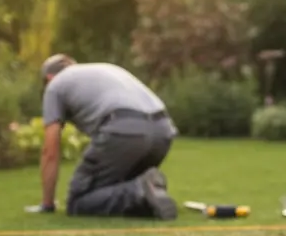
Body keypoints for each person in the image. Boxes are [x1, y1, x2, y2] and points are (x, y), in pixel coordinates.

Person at [26, 54, 179, 219]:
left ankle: (139, 190)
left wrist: (47, 204)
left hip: (123, 129)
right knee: (113, 189)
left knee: (79, 201)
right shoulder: (106, 69)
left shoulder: (55, 86)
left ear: (48, 78)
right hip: (163, 130)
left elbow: (50, 150)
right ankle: (147, 194)